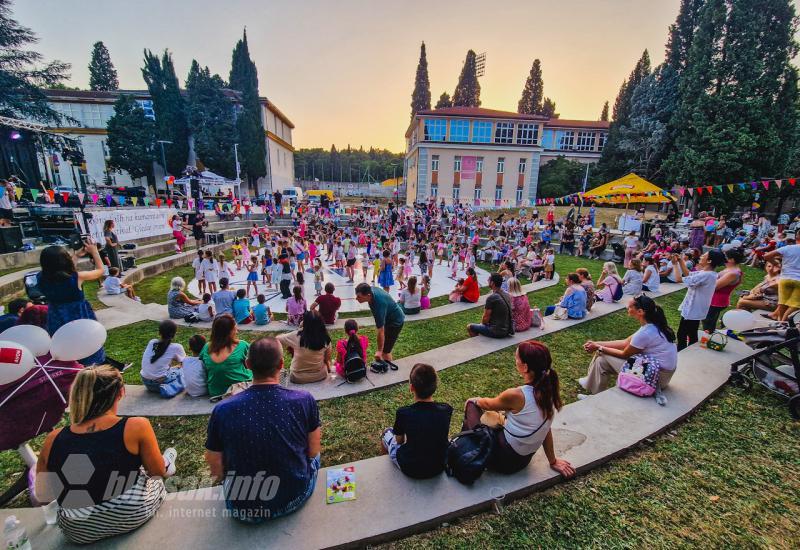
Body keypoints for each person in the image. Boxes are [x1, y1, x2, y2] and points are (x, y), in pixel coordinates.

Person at [35, 366, 174, 544]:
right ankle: (169, 460)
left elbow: (43, 495)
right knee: (155, 477)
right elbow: (157, 473)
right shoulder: (136, 426)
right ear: (120, 393)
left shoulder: (53, 439)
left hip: (77, 530)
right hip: (132, 514)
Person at [205, 337, 320, 522]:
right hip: (295, 497)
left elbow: (216, 469)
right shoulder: (304, 400)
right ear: (282, 364)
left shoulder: (222, 409)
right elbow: (313, 451)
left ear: (248, 364)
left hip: (243, 509)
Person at [461, 341, 575, 476]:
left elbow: (487, 404)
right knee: (496, 416)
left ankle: (465, 448)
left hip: (503, 461)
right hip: (522, 461)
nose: (515, 361)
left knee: (472, 406)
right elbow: (546, 428)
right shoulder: (549, 390)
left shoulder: (516, 395)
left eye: (516, 358)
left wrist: (474, 399)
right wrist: (553, 461)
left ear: (525, 367)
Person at [579, 295, 678, 398]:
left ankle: (591, 386)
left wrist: (598, 347)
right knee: (601, 362)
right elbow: (625, 342)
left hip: (654, 378)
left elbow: (624, 354)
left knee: (601, 353)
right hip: (660, 374)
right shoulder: (652, 325)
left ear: (640, 312)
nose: (627, 308)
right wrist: (597, 343)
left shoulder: (645, 333)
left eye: (630, 307)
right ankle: (595, 393)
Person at [380, 363, 453, 478]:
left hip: (410, 468)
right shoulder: (446, 409)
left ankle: (387, 471)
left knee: (386, 433)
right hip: (439, 465)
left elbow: (399, 441)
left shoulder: (404, 413)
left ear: (411, 388)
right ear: (435, 386)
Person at [38, 243, 106, 365]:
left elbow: (61, 272)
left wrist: (77, 256)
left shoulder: (40, 278)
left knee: (66, 347)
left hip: (56, 317)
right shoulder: (77, 277)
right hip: (78, 317)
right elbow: (100, 271)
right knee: (87, 346)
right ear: (65, 260)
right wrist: (94, 251)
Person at [672, 249, 726, 350]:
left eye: (703, 256)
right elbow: (688, 274)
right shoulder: (707, 273)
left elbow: (678, 279)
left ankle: (681, 351)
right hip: (696, 309)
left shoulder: (706, 275)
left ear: (709, 261)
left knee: (682, 333)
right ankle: (691, 350)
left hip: (693, 310)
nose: (701, 257)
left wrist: (674, 265)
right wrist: (680, 261)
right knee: (692, 332)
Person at [200, 314, 252, 397]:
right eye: (235, 329)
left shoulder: (206, 347)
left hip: (215, 391)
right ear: (229, 332)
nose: (237, 331)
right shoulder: (242, 345)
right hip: (239, 390)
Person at [276, 311, 332, 383]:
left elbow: (277, 338)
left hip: (297, 377)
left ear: (304, 322)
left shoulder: (295, 336)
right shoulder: (326, 338)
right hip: (320, 375)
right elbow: (327, 360)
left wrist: (299, 328)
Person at [355, 283, 405, 363]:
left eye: (359, 297)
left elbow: (380, 330)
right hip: (389, 317)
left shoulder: (378, 304)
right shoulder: (370, 292)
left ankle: (388, 370)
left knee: (385, 352)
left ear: (368, 295)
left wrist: (379, 351)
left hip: (395, 322)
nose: (356, 298)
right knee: (385, 348)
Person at [140, 320, 186, 393]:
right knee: (182, 371)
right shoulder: (177, 347)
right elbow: (185, 363)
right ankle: (170, 387)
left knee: (175, 369)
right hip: (158, 384)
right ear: (174, 334)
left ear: (159, 332)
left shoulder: (152, 342)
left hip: (146, 382)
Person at [703, 249, 743, 331]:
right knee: (709, 321)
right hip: (715, 299)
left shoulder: (733, 273)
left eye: (725, 256)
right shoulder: (730, 270)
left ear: (731, 260)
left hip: (717, 301)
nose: (722, 258)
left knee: (708, 322)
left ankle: (707, 337)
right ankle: (708, 336)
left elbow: (715, 286)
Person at [467, 272, 514, 338]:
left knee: (470, 327)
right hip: (508, 329)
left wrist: (482, 325)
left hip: (497, 332)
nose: (487, 281)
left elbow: (485, 319)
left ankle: (479, 344)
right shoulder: (506, 294)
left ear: (492, 283)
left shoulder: (492, 298)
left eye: (489, 279)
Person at [764, 242, 800, 321]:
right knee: (796, 304)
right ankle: (783, 321)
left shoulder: (788, 248)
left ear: (797, 237)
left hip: (785, 278)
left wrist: (775, 263)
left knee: (782, 302)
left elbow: (767, 256)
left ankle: (780, 322)